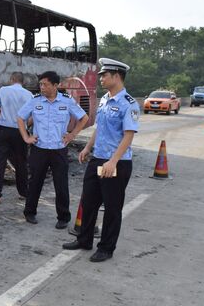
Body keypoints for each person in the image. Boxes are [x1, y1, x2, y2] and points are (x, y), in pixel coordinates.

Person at [62, 58, 139, 262]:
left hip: (116, 163)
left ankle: (106, 248)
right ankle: (84, 239)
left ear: (116, 76)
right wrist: (87, 148)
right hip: (98, 159)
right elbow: (100, 127)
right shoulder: (105, 99)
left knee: (112, 208)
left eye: (104, 75)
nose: (101, 78)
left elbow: (128, 135)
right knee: (89, 202)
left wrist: (113, 161)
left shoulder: (128, 104)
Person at [17, 71, 89, 228]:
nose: (42, 87)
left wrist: (72, 135)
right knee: (35, 182)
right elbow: (20, 117)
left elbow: (84, 118)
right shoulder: (35, 101)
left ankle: (63, 217)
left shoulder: (67, 101)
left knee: (61, 184)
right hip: (39, 149)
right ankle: (30, 212)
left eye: (45, 84)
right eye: (40, 84)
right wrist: (26, 137)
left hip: (59, 150)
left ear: (55, 85)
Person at [0, 72, 33, 204]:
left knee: (0, 162)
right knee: (21, 163)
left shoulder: (3, 90)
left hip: (4, 130)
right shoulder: (29, 95)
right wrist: (25, 127)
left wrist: (2, 120)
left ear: (12, 79)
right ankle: (24, 193)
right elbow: (32, 117)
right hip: (20, 132)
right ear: (22, 81)